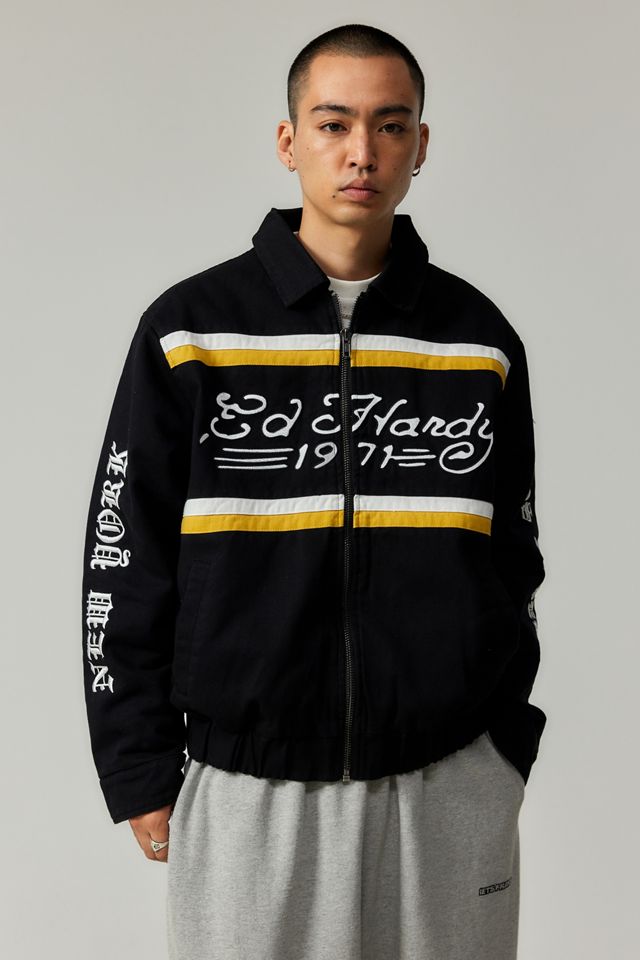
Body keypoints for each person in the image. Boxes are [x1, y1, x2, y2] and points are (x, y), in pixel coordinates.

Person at [81, 22, 547, 960]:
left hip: (448, 783)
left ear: (420, 143)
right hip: (251, 791)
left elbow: (515, 555)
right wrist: (136, 764)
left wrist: (504, 747)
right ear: (289, 141)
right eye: (334, 124)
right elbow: (124, 557)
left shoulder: (477, 339)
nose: (361, 151)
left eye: (390, 124)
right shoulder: (191, 332)